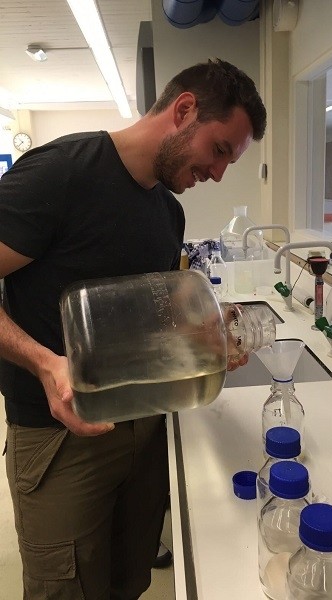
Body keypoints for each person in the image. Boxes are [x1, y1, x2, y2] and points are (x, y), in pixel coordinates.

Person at [0, 58, 266, 599]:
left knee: (128, 582)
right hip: (59, 439)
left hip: (144, 431)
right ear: (184, 110)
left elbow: (153, 319)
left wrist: (207, 336)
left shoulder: (168, 213)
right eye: (218, 150)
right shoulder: (61, 172)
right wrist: (45, 363)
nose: (217, 174)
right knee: (66, 591)